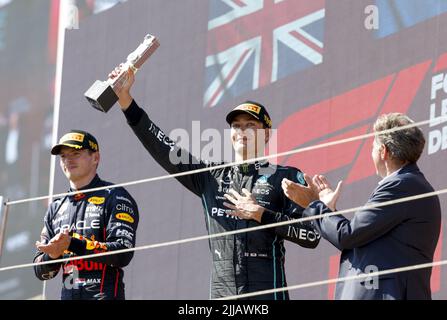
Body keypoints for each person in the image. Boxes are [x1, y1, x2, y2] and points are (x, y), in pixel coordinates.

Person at [108, 65, 320, 300]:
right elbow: (164, 147)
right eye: (237, 126)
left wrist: (261, 214)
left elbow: (312, 236)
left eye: (251, 126)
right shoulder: (211, 177)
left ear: (267, 134)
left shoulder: (285, 177)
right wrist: (126, 101)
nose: (242, 131)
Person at [282, 113, 441, 300]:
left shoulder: (401, 185)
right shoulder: (407, 184)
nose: (371, 152)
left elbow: (347, 235)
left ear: (383, 151)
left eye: (373, 146)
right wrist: (327, 209)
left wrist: (313, 205)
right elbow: (360, 236)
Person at [33, 130, 139, 300]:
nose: (68, 160)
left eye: (75, 153)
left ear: (95, 158)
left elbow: (123, 253)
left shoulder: (115, 196)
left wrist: (73, 244)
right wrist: (52, 255)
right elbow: (40, 271)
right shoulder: (56, 207)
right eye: (63, 156)